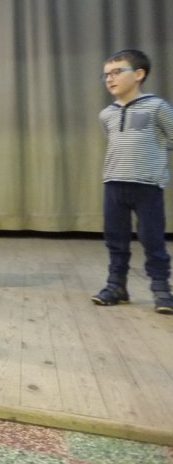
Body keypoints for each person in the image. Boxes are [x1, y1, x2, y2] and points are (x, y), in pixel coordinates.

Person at [91, 49, 173, 315]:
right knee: (115, 239)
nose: (109, 79)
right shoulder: (107, 114)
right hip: (114, 183)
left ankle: (161, 290)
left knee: (152, 239)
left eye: (117, 72)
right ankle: (116, 286)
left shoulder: (157, 107)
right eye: (106, 74)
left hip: (147, 185)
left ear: (139, 74)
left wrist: (155, 161)